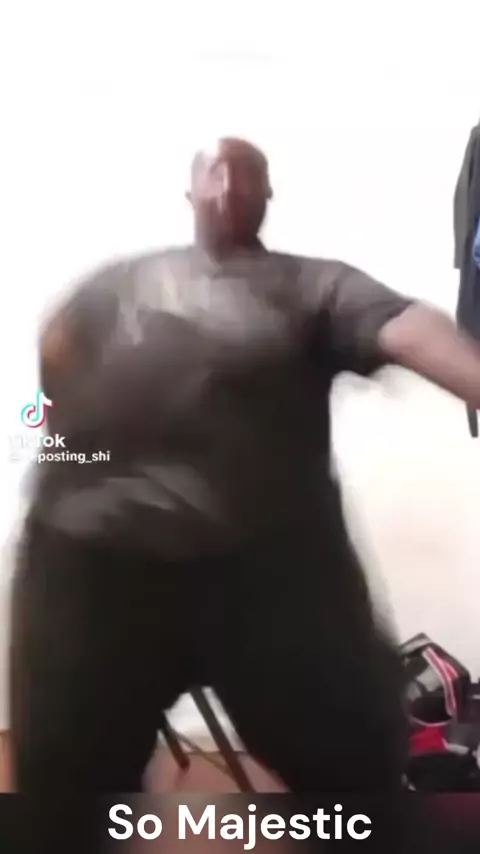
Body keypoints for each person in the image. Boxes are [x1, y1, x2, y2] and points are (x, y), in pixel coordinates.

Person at [9, 137, 480, 805]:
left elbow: (409, 331)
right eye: (214, 174)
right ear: (190, 191)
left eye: (245, 175)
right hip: (92, 575)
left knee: (358, 784)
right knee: (64, 799)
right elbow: (51, 407)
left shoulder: (316, 285)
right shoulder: (105, 292)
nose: (229, 188)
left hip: (267, 581)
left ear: (267, 194)